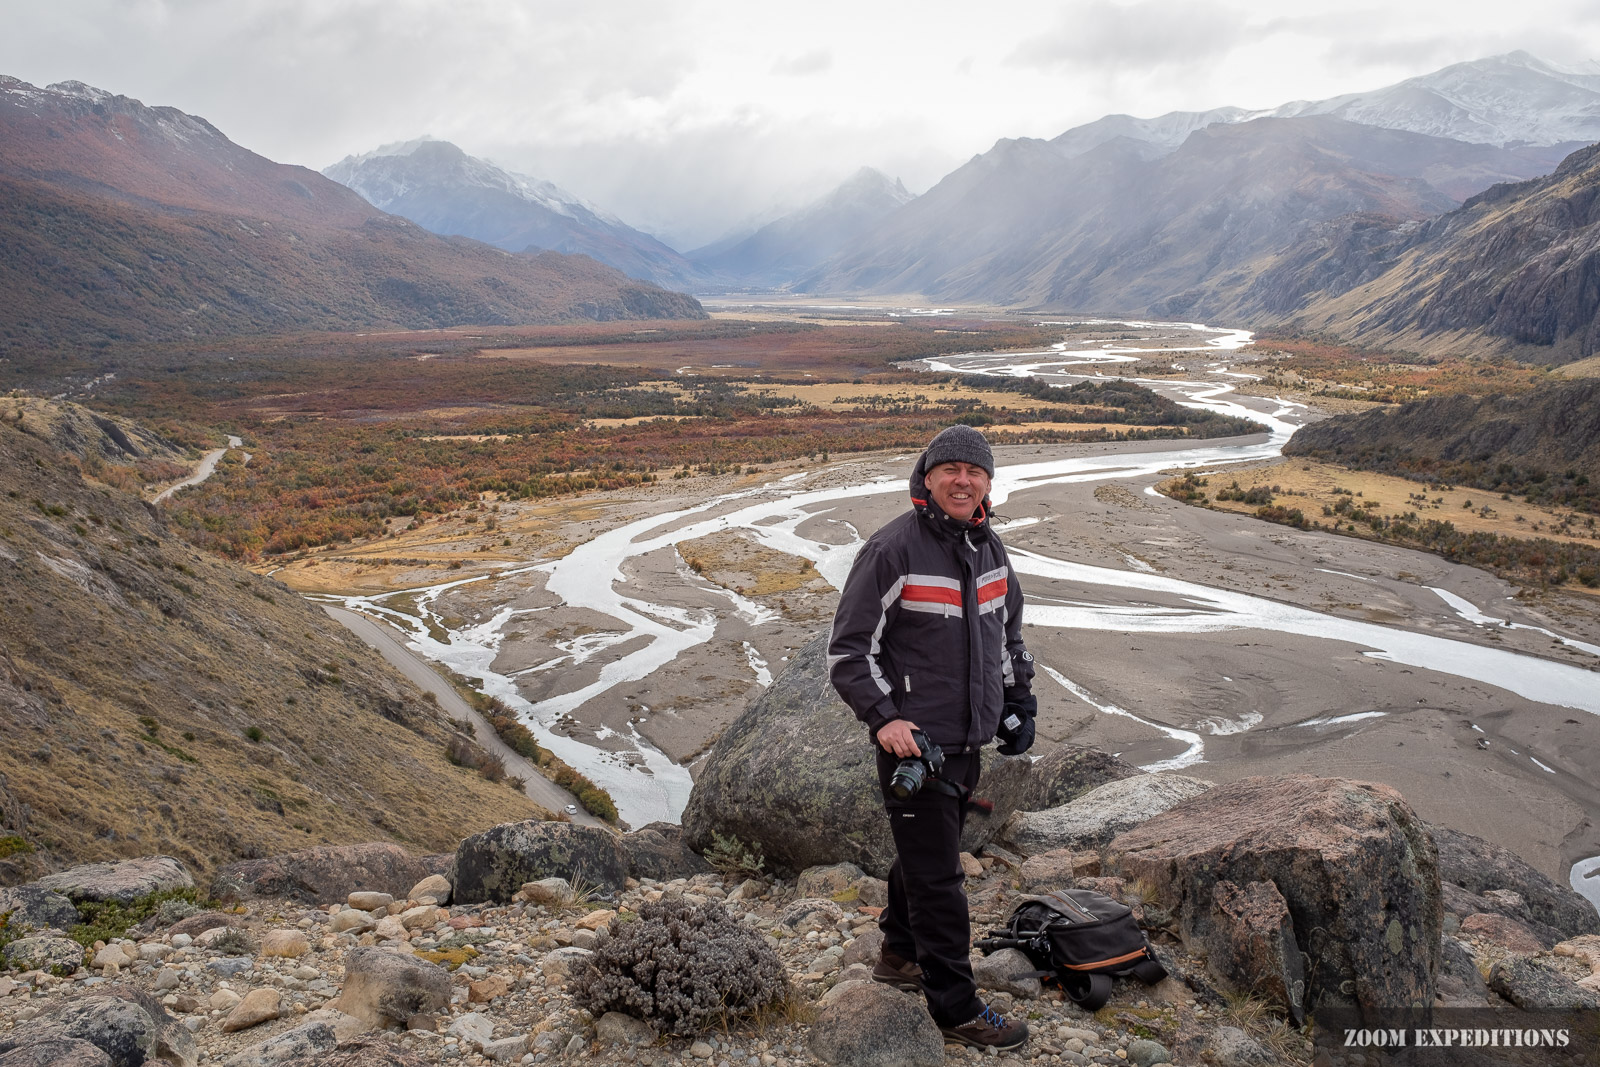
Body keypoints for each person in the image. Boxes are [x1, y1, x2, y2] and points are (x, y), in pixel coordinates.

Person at [827, 424, 1036, 1050]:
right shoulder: (892, 550)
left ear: (988, 485)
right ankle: (955, 1005)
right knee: (940, 877)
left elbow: (1007, 637)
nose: (962, 481)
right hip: (913, 746)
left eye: (974, 473)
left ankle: (897, 954)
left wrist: (1018, 701)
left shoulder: (989, 550)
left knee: (926, 852)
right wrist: (885, 719)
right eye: (949, 469)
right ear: (927, 478)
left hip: (966, 743)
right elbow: (849, 652)